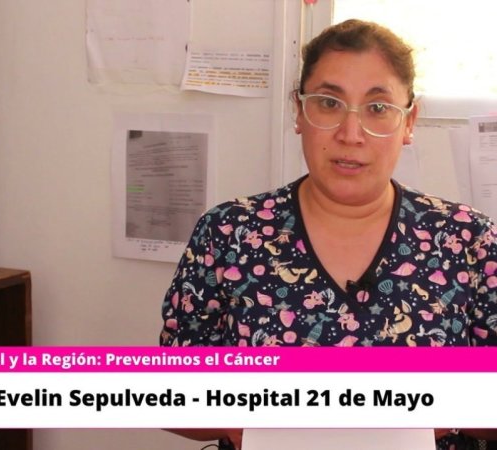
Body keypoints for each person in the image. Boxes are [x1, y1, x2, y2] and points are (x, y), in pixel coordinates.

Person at [159, 19, 497, 450]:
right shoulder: (229, 233)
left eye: (378, 108)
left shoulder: (467, 240)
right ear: (299, 112)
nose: (350, 135)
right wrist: (232, 419)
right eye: (328, 103)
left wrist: (445, 410)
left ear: (409, 121)